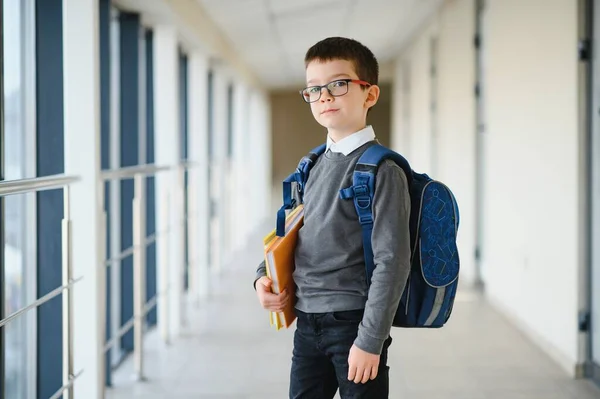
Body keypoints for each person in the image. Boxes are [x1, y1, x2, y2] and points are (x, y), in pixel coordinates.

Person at [254, 36, 411, 399]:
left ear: (369, 94)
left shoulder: (380, 170)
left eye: (338, 84)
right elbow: (287, 234)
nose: (324, 96)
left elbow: (392, 261)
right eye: (313, 89)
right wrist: (262, 278)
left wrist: (370, 341)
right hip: (306, 322)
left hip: (353, 323)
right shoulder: (309, 165)